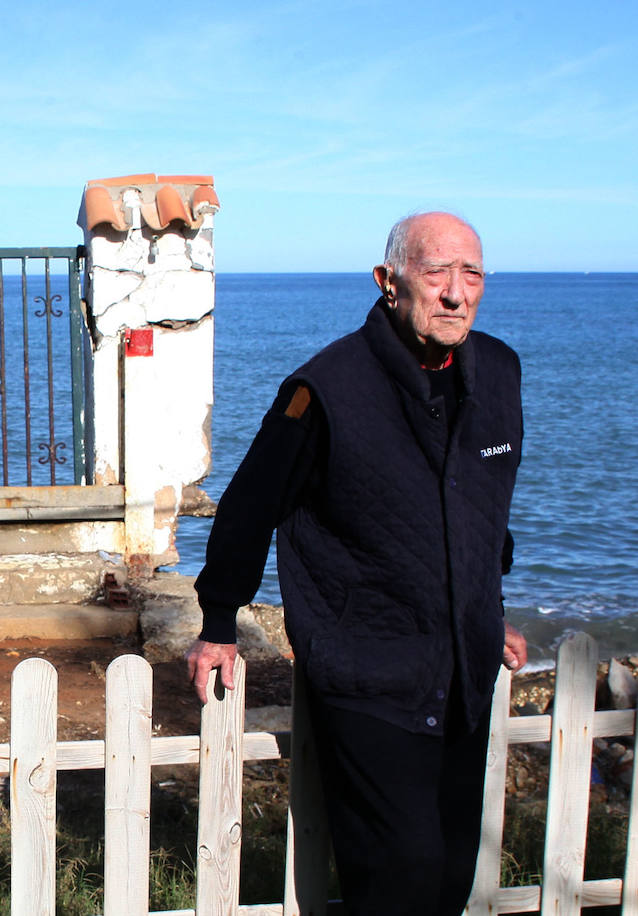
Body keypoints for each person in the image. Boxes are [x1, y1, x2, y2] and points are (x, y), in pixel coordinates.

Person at [184, 212, 528, 916]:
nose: (456, 293)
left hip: (464, 669)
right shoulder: (325, 390)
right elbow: (250, 506)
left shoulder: (498, 371)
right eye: (436, 273)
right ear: (389, 282)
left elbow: (485, 503)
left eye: (472, 274)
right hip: (368, 669)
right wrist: (220, 619)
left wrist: (488, 608)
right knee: (400, 879)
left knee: (451, 877)